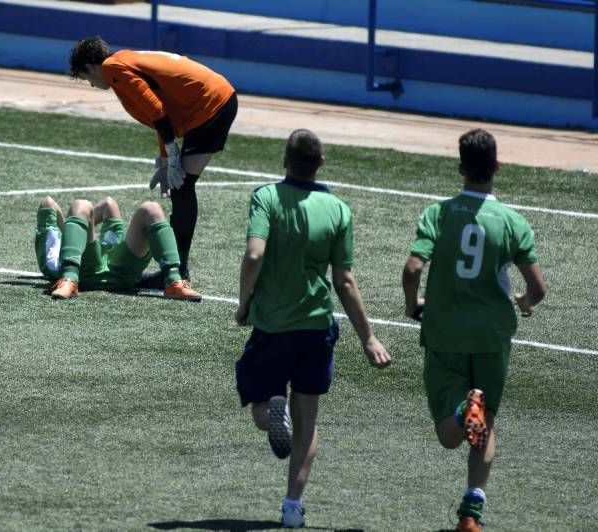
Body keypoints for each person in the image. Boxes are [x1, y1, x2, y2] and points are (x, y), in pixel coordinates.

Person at [234, 129, 391, 528]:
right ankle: (292, 507)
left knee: (260, 409)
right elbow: (345, 282)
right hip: (317, 326)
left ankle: (272, 411)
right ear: (322, 162)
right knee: (309, 418)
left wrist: (243, 303)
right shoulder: (338, 209)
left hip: (272, 325)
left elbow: (254, 254)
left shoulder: (267, 197)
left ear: (284, 160)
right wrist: (368, 337)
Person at [402, 129, 546, 532]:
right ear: (497, 167)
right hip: (491, 337)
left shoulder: (438, 213)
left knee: (450, 433)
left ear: (462, 167)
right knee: (488, 424)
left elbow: (413, 268)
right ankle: (472, 512)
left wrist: (413, 306)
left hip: (445, 333)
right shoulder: (512, 221)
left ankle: (465, 410)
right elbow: (538, 289)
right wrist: (524, 303)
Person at [68, 36, 238, 288]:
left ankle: (177, 272)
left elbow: (156, 109)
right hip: (219, 99)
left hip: (209, 105)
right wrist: (165, 160)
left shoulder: (112, 68)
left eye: (86, 78)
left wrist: (171, 152)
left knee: (182, 188)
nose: (92, 85)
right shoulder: (123, 62)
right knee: (182, 187)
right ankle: (177, 270)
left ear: (92, 67)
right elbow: (159, 113)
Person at [35, 194, 201, 301]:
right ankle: (69, 279)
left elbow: (108, 204)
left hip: (119, 270)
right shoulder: (51, 258)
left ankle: (174, 282)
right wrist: (76, 225)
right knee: (81, 204)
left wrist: (76, 226)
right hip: (83, 272)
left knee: (151, 208)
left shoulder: (66, 240)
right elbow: (47, 203)